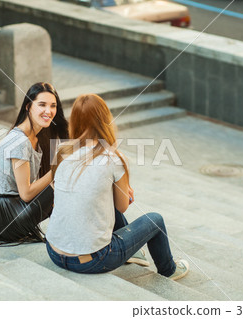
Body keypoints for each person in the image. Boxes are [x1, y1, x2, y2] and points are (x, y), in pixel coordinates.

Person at [45, 94, 189, 280]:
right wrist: (125, 193)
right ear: (105, 120)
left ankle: (134, 253)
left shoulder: (61, 153)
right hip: (93, 260)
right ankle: (169, 270)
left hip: (54, 252)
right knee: (155, 220)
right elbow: (121, 207)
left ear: (74, 121)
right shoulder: (114, 159)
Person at [0, 82, 68, 245]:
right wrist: (56, 170)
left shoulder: (39, 135)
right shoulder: (19, 141)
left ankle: (69, 231)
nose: (49, 111)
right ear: (28, 106)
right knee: (63, 177)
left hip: (12, 207)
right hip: (7, 219)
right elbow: (26, 194)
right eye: (42, 105)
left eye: (53, 106)